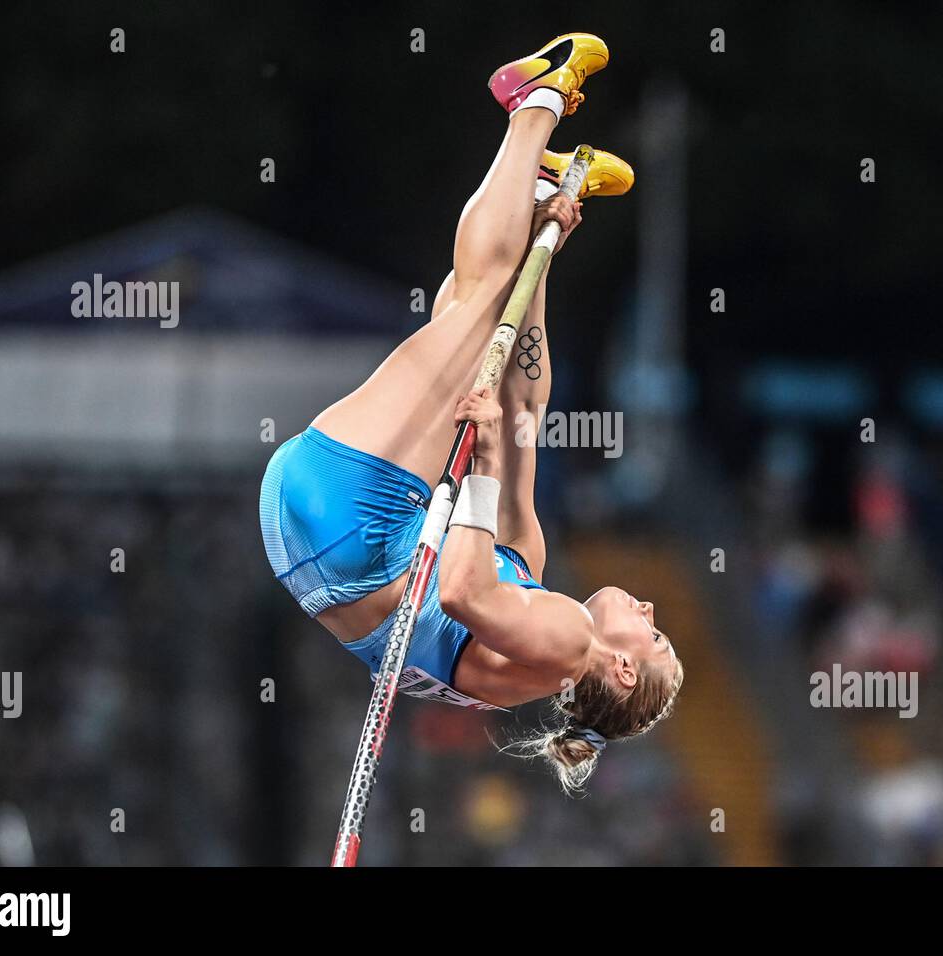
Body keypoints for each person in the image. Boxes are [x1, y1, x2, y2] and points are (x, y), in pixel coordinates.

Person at [259, 33, 682, 791]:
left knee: (479, 299)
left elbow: (462, 591)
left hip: (353, 526)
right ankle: (538, 184)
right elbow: (525, 409)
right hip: (318, 537)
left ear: (621, 670)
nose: (648, 608)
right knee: (486, 308)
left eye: (652, 636)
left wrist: (482, 457)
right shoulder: (535, 590)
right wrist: (542, 253)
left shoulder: (573, 643)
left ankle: (537, 100)